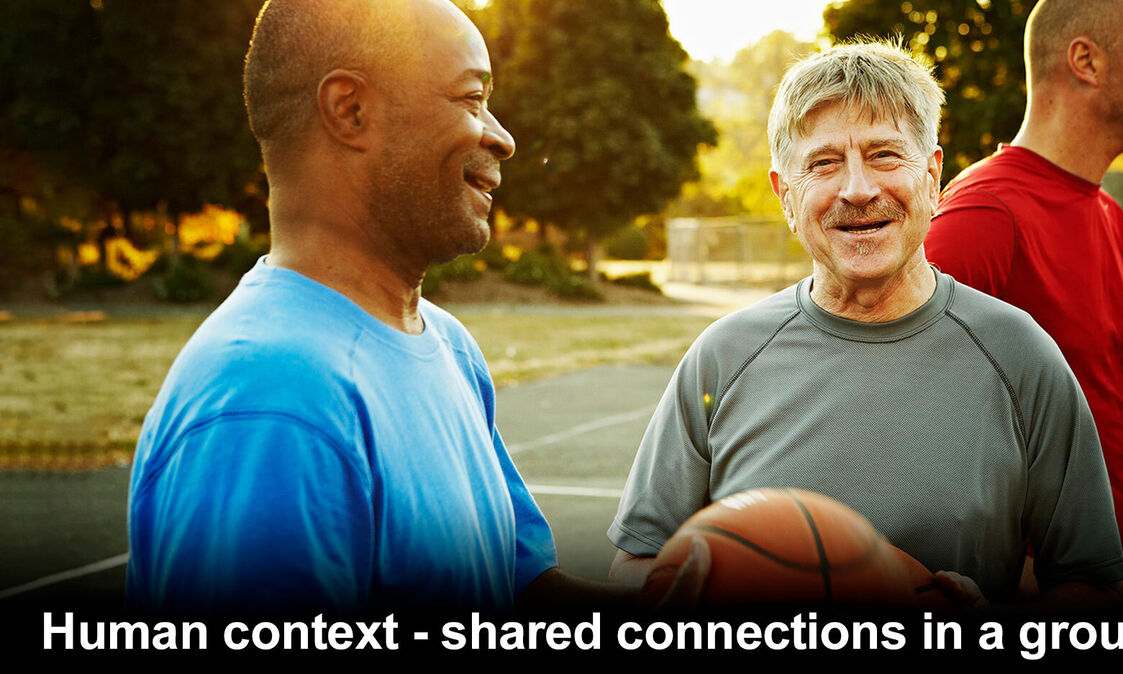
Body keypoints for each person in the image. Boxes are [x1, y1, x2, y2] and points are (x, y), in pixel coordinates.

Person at [126, 0, 704, 616]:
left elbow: (520, 594)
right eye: (470, 98)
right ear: (351, 110)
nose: (504, 138)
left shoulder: (449, 346)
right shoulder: (271, 398)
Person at [607, 42, 1123, 611]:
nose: (857, 189)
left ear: (932, 177)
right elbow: (636, 564)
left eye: (884, 155)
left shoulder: (1020, 355)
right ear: (786, 195)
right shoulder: (723, 358)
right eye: (824, 163)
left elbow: (1096, 585)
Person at [924, 0, 1123, 595]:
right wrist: (997, 565)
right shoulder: (985, 214)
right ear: (1086, 61)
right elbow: (892, 403)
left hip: (1111, 577)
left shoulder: (1112, 219)